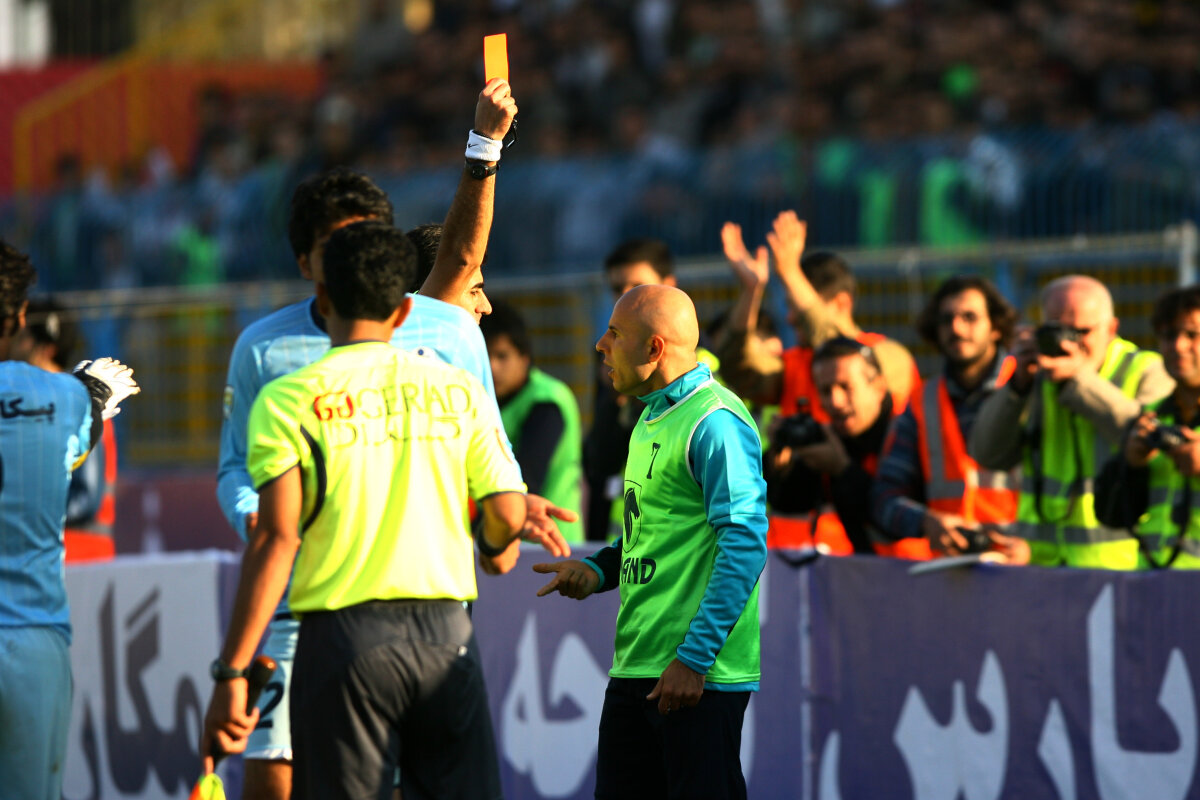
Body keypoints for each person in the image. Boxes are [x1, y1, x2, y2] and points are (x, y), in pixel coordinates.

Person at [215, 80, 570, 800]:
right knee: (274, 786)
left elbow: (462, 260)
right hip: (309, 607)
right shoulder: (265, 351)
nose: (357, 254)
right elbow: (237, 477)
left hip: (384, 619)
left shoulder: (445, 334)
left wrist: (485, 144)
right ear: (305, 263)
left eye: (368, 239)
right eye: (336, 245)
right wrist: (257, 513)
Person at [200, 221, 528, 799]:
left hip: (341, 635)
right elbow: (506, 510)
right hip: (445, 631)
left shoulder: (288, 398)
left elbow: (277, 539)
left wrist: (231, 670)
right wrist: (495, 544)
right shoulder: (457, 387)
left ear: (323, 300)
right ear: (404, 312)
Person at [534, 284, 768, 800]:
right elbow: (649, 531)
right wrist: (597, 570)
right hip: (636, 666)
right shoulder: (650, 414)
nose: (601, 345)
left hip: (697, 676)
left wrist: (695, 659)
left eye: (614, 333)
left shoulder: (715, 422)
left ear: (655, 348)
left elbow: (746, 544)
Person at [0, 239, 139, 800]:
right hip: (34, 637)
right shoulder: (65, 396)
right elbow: (86, 425)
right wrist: (93, 393)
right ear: (19, 317)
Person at [715, 212, 918, 550]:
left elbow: (844, 352)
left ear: (842, 304)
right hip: (801, 551)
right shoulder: (796, 363)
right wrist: (751, 292)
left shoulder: (888, 356)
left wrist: (790, 272)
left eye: (797, 303)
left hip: (882, 547)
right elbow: (739, 368)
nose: (791, 316)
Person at [969, 274, 1174, 569]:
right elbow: (988, 453)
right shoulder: (1035, 374)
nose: (1069, 342)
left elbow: (1150, 441)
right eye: (1058, 330)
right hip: (1041, 564)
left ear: (1112, 329)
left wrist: (1079, 381)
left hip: (1117, 564)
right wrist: (1017, 387)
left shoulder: (1147, 370)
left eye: (1082, 331)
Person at [872, 276, 1029, 563]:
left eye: (970, 317)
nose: (956, 328)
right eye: (946, 320)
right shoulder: (921, 402)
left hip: (1025, 566)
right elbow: (884, 497)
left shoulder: (1028, 388)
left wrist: (1036, 545)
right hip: (950, 569)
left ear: (996, 327)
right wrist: (925, 522)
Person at [583, 237, 721, 540]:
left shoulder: (706, 369)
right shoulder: (611, 358)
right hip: (628, 540)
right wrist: (615, 399)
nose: (625, 296)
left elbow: (736, 524)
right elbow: (600, 461)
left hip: (680, 544)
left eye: (637, 286)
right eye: (617, 288)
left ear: (669, 286)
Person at [1096, 285, 1200, 568]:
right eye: (1169, 335)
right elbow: (1111, 516)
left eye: (1192, 335)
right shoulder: (1153, 416)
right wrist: (1131, 465)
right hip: (1156, 583)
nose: (1178, 346)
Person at [765, 337, 898, 554]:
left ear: (879, 387)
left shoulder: (907, 434)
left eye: (846, 387)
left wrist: (842, 469)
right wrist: (779, 466)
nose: (835, 401)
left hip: (922, 570)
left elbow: (896, 514)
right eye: (826, 391)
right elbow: (791, 503)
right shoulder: (833, 438)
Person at [13, 298, 119, 562]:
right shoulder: (33, 405)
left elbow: (84, 499)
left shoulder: (78, 404)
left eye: (23, 336)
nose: (14, 343)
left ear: (46, 348)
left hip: (80, 561)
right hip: (50, 559)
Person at [481, 299, 584, 543]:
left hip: (550, 544)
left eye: (502, 356)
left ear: (525, 357)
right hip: (508, 539)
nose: (493, 367)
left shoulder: (547, 401)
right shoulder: (485, 399)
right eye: (485, 356)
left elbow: (528, 478)